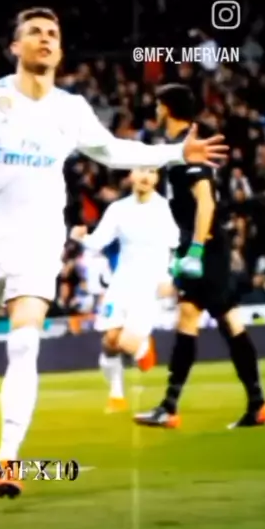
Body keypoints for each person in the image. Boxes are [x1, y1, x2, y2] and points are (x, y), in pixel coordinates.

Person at [0, 8, 227, 496]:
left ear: (60, 48)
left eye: (52, 33)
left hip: (38, 245)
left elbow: (113, 151)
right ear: (16, 47)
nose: (45, 38)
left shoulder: (70, 109)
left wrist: (176, 153)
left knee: (24, 343)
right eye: (34, 32)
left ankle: (6, 460)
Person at [134, 84, 265, 429]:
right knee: (218, 320)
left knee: (202, 318)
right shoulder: (178, 147)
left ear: (167, 108)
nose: (155, 111)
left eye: (158, 105)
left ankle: (172, 407)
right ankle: (256, 404)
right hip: (204, 246)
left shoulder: (189, 147)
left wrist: (195, 249)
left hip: (206, 247)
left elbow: (206, 201)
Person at [71, 167, 179, 412]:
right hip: (121, 282)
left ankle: (142, 347)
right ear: (131, 174)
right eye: (141, 170)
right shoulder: (118, 209)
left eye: (151, 171)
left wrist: (168, 276)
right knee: (110, 340)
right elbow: (98, 241)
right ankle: (116, 395)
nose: (145, 176)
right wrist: (81, 237)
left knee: (127, 344)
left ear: (157, 177)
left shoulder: (164, 209)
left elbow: (175, 246)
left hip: (149, 286)